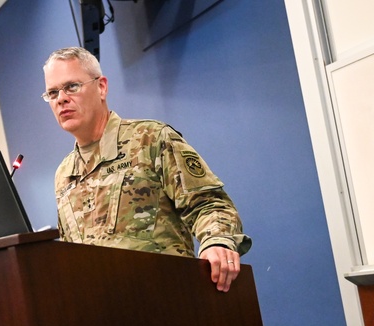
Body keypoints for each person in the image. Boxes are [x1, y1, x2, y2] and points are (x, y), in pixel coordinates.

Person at [42, 47, 251, 292]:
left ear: (101, 87)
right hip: (101, 306)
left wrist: (216, 242)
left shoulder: (149, 139)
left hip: (168, 296)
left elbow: (210, 203)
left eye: (72, 87)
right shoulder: (64, 174)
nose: (61, 99)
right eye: (52, 92)